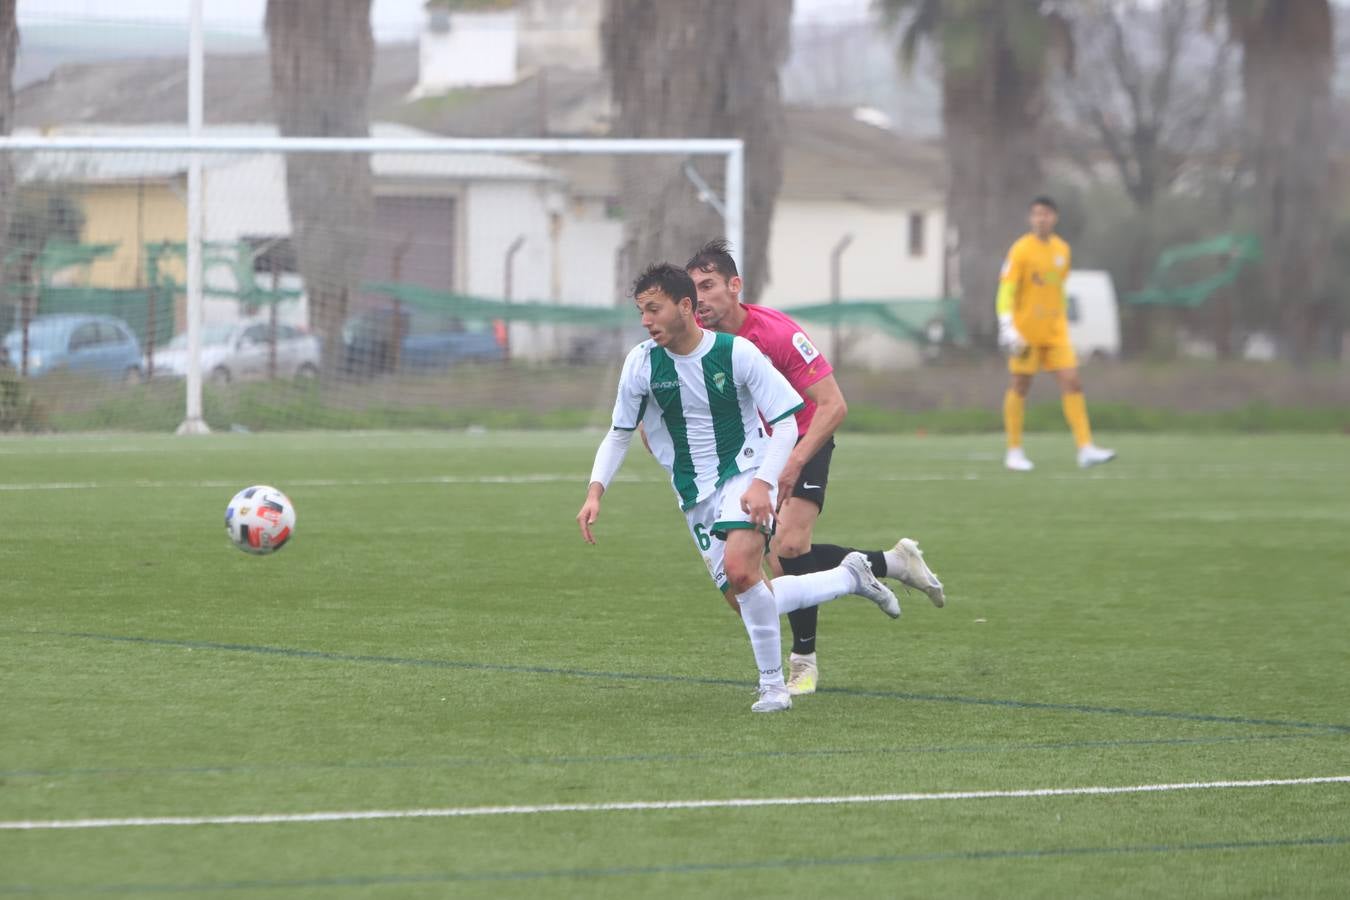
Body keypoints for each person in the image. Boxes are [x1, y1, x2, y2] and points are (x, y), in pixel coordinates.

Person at [576, 263, 901, 714]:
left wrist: (764, 483)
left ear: (684, 307)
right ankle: (849, 576)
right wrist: (596, 491)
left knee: (744, 572)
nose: (646, 321)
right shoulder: (641, 363)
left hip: (745, 471)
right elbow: (619, 433)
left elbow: (786, 422)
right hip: (694, 493)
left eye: (654, 309)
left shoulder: (737, 353)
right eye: (640, 312)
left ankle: (773, 688)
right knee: (747, 598)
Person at [685, 240, 945, 697]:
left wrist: (793, 463)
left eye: (708, 286)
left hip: (804, 437)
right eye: (693, 289)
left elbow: (833, 405)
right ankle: (888, 563)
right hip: (751, 455)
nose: (700, 299)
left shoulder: (778, 335)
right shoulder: (698, 343)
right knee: (772, 576)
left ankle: (802, 663)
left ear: (735, 286)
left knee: (788, 545)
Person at [997, 196, 1116, 471]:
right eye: (1037, 214)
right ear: (1030, 218)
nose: (1042, 219)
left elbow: (1057, 290)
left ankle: (1085, 448)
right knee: (1020, 385)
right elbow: (1006, 290)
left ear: (1055, 218)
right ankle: (1014, 451)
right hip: (1025, 332)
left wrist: (1060, 318)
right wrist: (1007, 325)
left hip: (1055, 331)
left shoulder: (1062, 250)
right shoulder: (1020, 251)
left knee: (1072, 381)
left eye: (1047, 214)